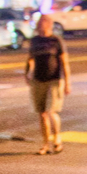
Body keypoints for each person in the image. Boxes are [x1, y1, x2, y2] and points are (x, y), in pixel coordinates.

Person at [26, 14, 71, 155]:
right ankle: (45, 143)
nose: (42, 29)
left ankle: (57, 138)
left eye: (44, 26)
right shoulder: (34, 41)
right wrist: (28, 72)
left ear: (49, 26)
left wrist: (67, 82)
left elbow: (64, 62)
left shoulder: (56, 41)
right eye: (40, 26)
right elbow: (30, 58)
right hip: (38, 79)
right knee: (42, 113)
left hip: (54, 79)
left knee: (51, 111)